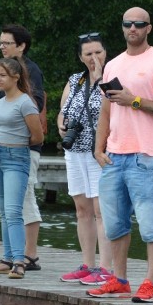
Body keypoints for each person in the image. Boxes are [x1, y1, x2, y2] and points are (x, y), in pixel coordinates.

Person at [87, 7, 153, 303]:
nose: (133, 28)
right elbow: (106, 109)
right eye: (128, 23)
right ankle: (119, 279)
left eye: (139, 24)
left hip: (145, 155)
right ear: (123, 27)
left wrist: (135, 100)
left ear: (148, 28)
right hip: (114, 156)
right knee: (114, 224)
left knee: (151, 223)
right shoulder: (113, 65)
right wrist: (98, 148)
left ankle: (150, 282)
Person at [57, 32, 113, 284]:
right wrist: (61, 125)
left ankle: (106, 268)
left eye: (98, 52)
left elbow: (115, 109)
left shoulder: (113, 78)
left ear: (106, 52)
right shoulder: (75, 80)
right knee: (82, 210)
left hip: (100, 152)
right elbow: (63, 111)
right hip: (75, 152)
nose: (94, 57)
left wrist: (101, 78)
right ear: (80, 57)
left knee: (102, 211)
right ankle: (88, 264)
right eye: (88, 54)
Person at [0, 24, 46, 273]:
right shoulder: (3, 74)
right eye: (1, 43)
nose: (2, 47)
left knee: (23, 200)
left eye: (7, 43)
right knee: (7, 207)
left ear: (21, 46)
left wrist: (20, 142)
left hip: (23, 148)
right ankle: (12, 256)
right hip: (4, 148)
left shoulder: (31, 72)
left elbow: (35, 108)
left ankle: (29, 255)